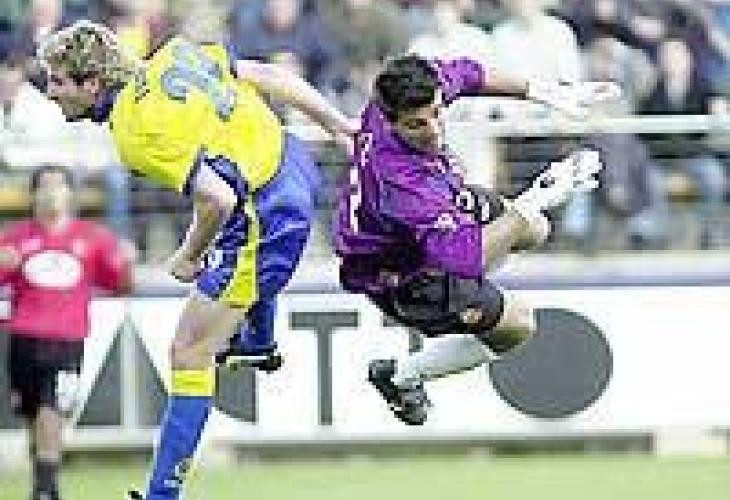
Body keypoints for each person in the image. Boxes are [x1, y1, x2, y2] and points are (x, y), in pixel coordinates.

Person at [37, 20, 354, 500]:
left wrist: (188, 255)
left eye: (58, 81)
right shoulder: (176, 52)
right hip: (290, 158)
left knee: (188, 351)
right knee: (236, 279)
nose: (50, 92)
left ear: (92, 83)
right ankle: (258, 341)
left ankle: (162, 495)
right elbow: (269, 77)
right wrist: (335, 124)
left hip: (264, 214)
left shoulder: (133, 131)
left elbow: (218, 199)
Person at [333, 54, 615, 425]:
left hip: (440, 205)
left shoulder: (404, 93)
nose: (434, 130)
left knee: (535, 229)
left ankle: (482, 280)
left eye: (437, 113)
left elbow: (468, 74)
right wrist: (536, 196)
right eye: (417, 125)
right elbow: (470, 257)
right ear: (389, 121)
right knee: (518, 325)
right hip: (404, 274)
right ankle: (401, 377)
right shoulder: (402, 186)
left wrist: (544, 92)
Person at [1, 164, 133, 500]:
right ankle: (44, 480)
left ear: (71, 194)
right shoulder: (14, 239)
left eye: (58, 186)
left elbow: (120, 284)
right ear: (33, 194)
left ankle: (45, 489)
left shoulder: (93, 239)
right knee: (32, 415)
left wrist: (126, 264)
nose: (51, 194)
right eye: (44, 186)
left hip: (67, 340)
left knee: (51, 410)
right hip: (24, 339)